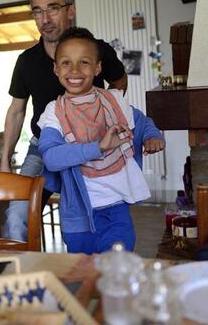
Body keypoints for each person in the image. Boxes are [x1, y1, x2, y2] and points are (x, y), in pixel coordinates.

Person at [1, 0, 127, 241]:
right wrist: (5, 160)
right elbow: (16, 112)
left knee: (100, 218)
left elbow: (119, 82)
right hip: (44, 148)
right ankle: (25, 277)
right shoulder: (26, 61)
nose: (44, 18)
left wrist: (106, 115)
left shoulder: (99, 50)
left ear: (70, 10)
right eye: (37, 11)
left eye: (53, 8)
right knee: (17, 217)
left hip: (90, 145)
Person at [38, 27, 164, 254]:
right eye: (66, 62)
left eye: (84, 62)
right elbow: (51, 158)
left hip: (117, 208)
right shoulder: (54, 112)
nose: (75, 70)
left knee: (116, 267)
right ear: (56, 69)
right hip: (77, 215)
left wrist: (153, 136)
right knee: (84, 274)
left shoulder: (114, 101)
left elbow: (142, 123)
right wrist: (99, 147)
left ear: (97, 68)